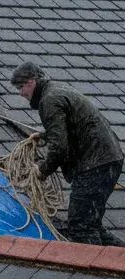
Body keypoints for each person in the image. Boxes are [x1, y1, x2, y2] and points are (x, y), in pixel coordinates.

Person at [11, 61, 123, 245]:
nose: (20, 93)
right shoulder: (57, 90)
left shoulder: (49, 100)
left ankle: (94, 272)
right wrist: (45, 135)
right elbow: (69, 129)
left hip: (94, 166)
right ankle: (118, 263)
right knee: (91, 224)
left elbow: (60, 147)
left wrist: (42, 170)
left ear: (31, 81)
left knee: (80, 227)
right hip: (108, 161)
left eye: (20, 87)